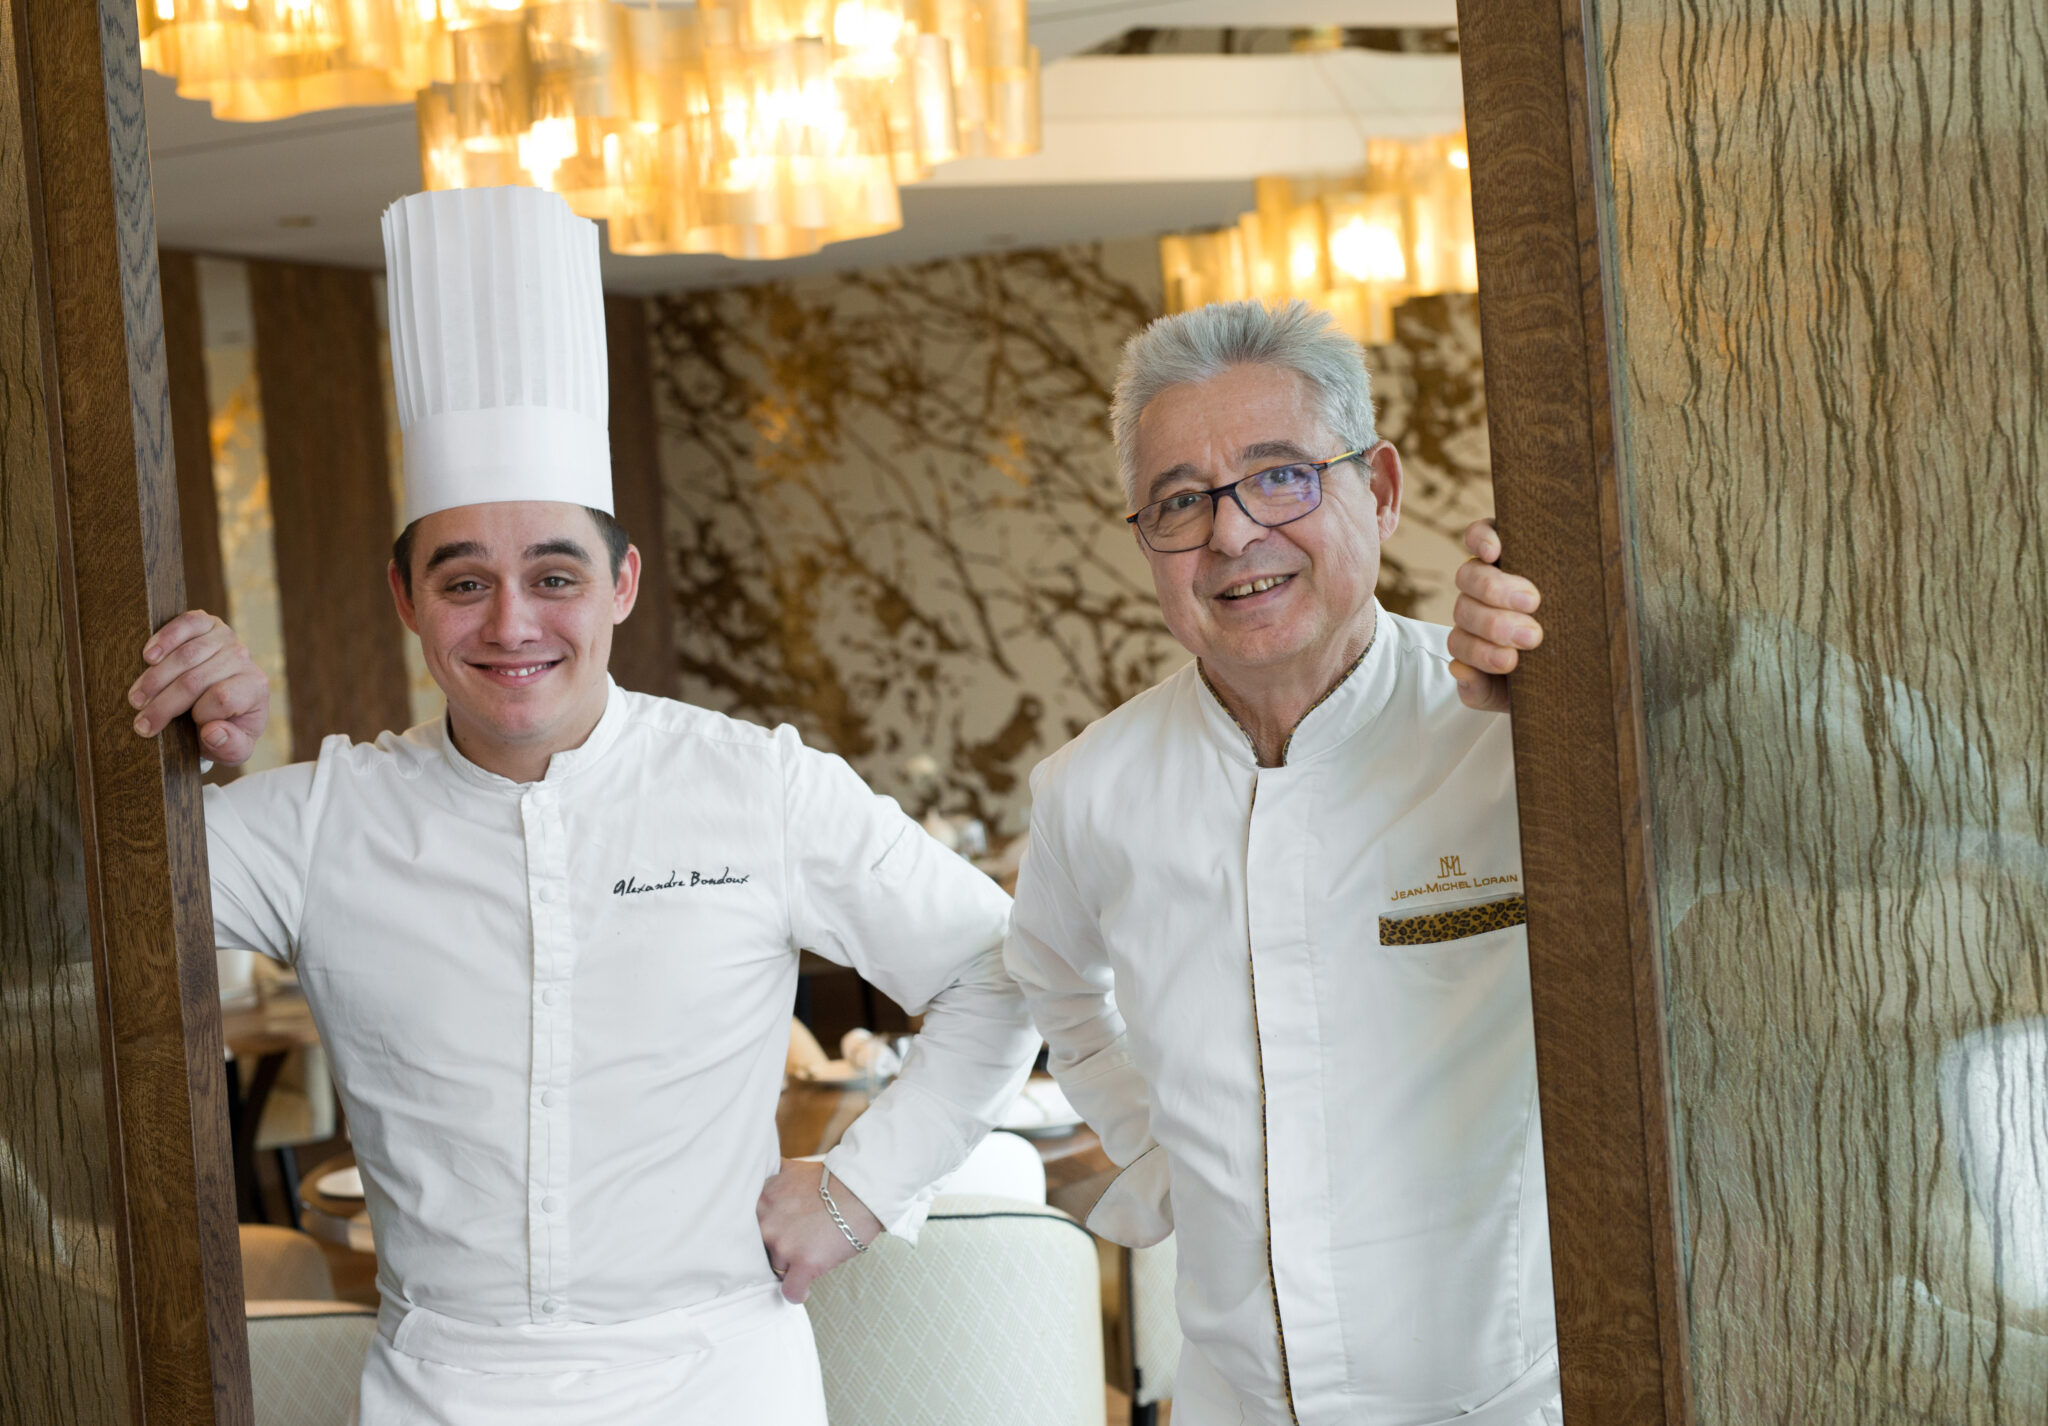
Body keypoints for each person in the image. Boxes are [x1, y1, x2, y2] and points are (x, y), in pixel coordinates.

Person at [125, 186, 1040, 1425]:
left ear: (620, 584)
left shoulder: (756, 785)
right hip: (441, 1384)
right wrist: (167, 749)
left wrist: (863, 1186)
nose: (511, 625)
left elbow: (1004, 968)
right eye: (463, 581)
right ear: (404, 595)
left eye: (553, 574)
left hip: (724, 1379)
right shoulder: (316, 822)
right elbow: (64, 901)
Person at [1004, 299, 1556, 1426]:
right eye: (1179, 503)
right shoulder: (1089, 789)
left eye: (1281, 477)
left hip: (1501, 1397)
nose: (1232, 534)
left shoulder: (1512, 724)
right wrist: (1153, 1142)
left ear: (1381, 490)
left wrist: (1606, 659)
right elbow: (1051, 981)